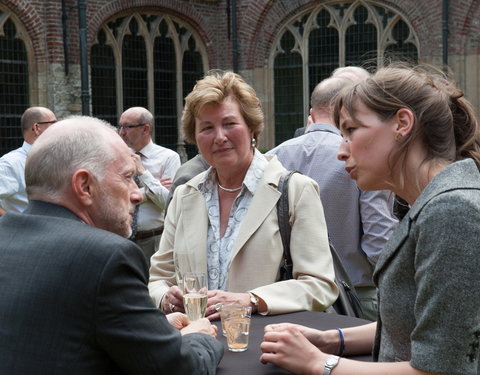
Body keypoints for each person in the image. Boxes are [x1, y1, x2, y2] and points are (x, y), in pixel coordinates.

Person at [260, 64, 480, 375]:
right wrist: (330, 339)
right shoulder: (433, 203)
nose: (340, 151)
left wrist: (318, 364)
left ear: (402, 123)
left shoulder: (452, 211)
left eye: (350, 130)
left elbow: (442, 369)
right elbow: (418, 327)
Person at [0, 116, 223, 374]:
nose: (137, 193)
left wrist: (156, 327)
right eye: (127, 177)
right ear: (84, 186)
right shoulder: (105, 257)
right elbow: (178, 369)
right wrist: (200, 336)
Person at [149, 70, 338, 318]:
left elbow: (319, 285)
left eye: (229, 124)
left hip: (266, 345)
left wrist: (250, 300)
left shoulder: (295, 190)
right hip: (197, 345)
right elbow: (159, 278)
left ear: (251, 129)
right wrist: (166, 297)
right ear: (194, 137)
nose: (219, 137)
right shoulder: (185, 196)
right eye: (206, 127)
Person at [268, 75, 398, 321]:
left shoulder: (272, 158)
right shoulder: (363, 158)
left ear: (311, 113)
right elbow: (379, 243)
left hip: (285, 299)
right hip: (354, 301)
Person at [118, 107, 181, 264]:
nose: (121, 132)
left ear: (145, 129)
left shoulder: (169, 157)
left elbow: (169, 202)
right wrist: (151, 190)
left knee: (155, 287)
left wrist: (143, 173)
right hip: (122, 240)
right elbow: (114, 197)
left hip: (154, 240)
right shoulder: (117, 157)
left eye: (127, 126)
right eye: (120, 126)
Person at [0, 106, 56, 216]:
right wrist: (13, 223)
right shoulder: (11, 164)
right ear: (36, 128)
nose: (58, 128)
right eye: (53, 123)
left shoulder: (57, 160)